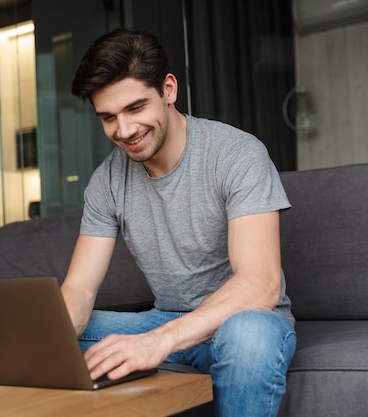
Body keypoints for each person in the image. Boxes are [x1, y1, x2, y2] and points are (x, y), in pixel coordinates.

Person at [61, 28, 297, 417]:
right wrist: (30, 342)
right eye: (108, 117)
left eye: (136, 108)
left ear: (168, 89)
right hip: (164, 320)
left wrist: (158, 342)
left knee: (249, 335)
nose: (124, 130)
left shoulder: (237, 154)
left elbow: (261, 283)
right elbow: (80, 291)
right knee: (49, 333)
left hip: (242, 322)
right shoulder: (106, 181)